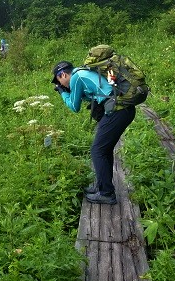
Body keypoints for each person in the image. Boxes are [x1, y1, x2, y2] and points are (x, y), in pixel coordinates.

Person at [51, 60, 136, 205]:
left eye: (59, 81)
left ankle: (106, 193)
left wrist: (62, 93)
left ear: (63, 75)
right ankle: (102, 186)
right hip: (123, 108)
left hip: (117, 110)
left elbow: (74, 107)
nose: (61, 85)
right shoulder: (84, 72)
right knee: (104, 150)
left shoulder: (76, 78)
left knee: (97, 151)